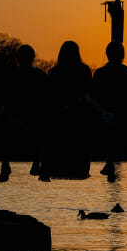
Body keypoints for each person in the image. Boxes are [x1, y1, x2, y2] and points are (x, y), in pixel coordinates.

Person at [43, 40, 94, 182]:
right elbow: (89, 93)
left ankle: (53, 169)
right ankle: (80, 170)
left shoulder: (54, 72)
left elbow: (49, 96)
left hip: (60, 116)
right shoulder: (84, 71)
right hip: (78, 116)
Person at [92, 41, 127, 181]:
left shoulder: (100, 73)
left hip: (108, 116)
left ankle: (110, 162)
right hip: (124, 116)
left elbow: (94, 96)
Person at [0, 44, 48, 182]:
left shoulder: (10, 75)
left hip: (15, 119)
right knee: (43, 124)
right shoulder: (39, 75)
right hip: (32, 119)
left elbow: (3, 98)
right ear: (32, 58)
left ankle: (5, 163)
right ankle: (37, 163)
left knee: (3, 123)